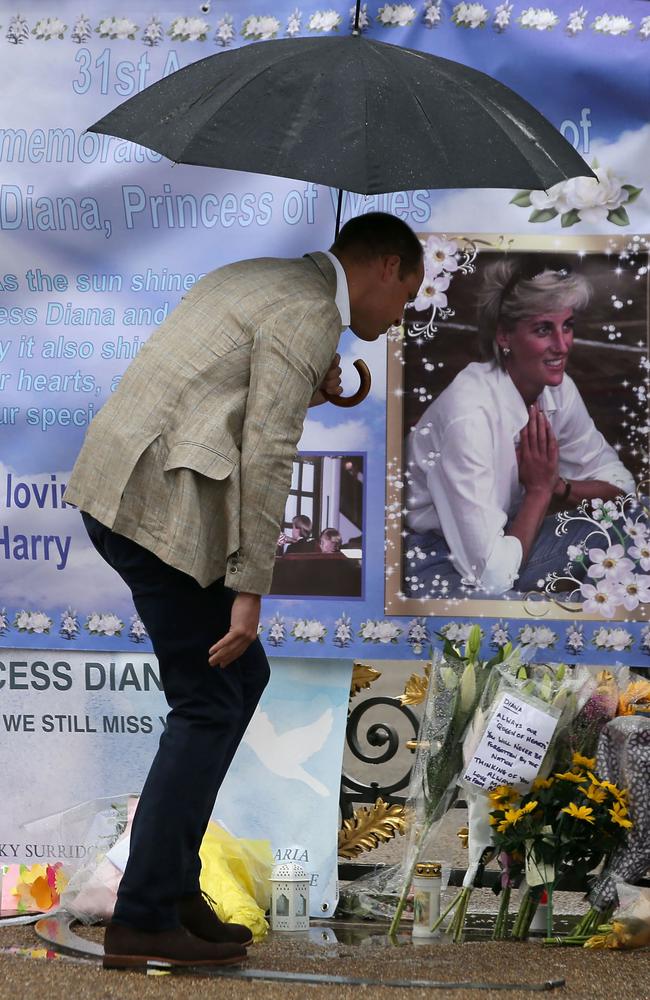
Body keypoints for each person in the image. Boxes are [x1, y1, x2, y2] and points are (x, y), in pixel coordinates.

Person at [64, 212, 424, 970]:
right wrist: (249, 587)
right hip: (155, 507)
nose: (397, 321)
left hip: (122, 489)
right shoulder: (309, 309)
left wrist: (308, 385)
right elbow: (265, 449)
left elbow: (221, 396)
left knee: (231, 683)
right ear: (386, 266)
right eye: (406, 298)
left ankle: (173, 886)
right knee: (211, 697)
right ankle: (146, 915)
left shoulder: (264, 278)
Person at [405, 255, 635, 599]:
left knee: (637, 520)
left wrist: (560, 487)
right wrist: (540, 491)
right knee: (532, 606)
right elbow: (492, 578)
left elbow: (622, 488)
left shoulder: (557, 389)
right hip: (437, 557)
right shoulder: (469, 416)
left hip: (508, 542)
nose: (562, 345)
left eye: (567, 326)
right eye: (544, 329)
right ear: (504, 336)